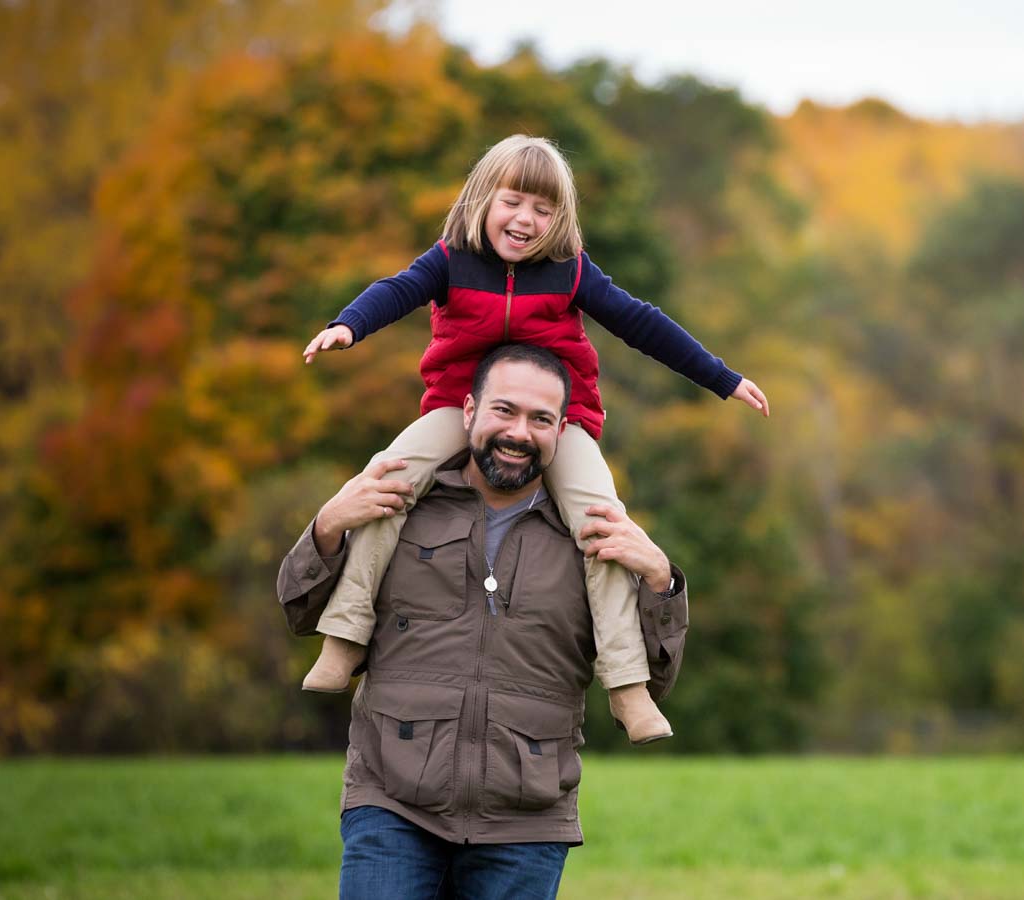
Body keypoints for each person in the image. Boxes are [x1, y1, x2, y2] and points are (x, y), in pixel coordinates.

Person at [299, 134, 767, 744]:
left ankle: (628, 688)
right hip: (458, 407)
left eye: (543, 210)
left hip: (557, 420)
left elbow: (642, 324)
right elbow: (395, 290)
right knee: (385, 478)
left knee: (602, 520)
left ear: (560, 219)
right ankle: (343, 639)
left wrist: (722, 378)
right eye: (513, 202)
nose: (525, 219)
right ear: (482, 199)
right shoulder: (450, 260)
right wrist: (347, 325)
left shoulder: (569, 273)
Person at [277, 344, 689, 899]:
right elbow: (300, 613)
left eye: (540, 419)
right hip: (392, 803)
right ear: (468, 411)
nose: (519, 432)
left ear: (562, 430)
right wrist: (328, 527)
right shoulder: (399, 505)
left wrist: (660, 580)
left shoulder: (594, 537)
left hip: (528, 820)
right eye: (504, 410)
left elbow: (654, 682)